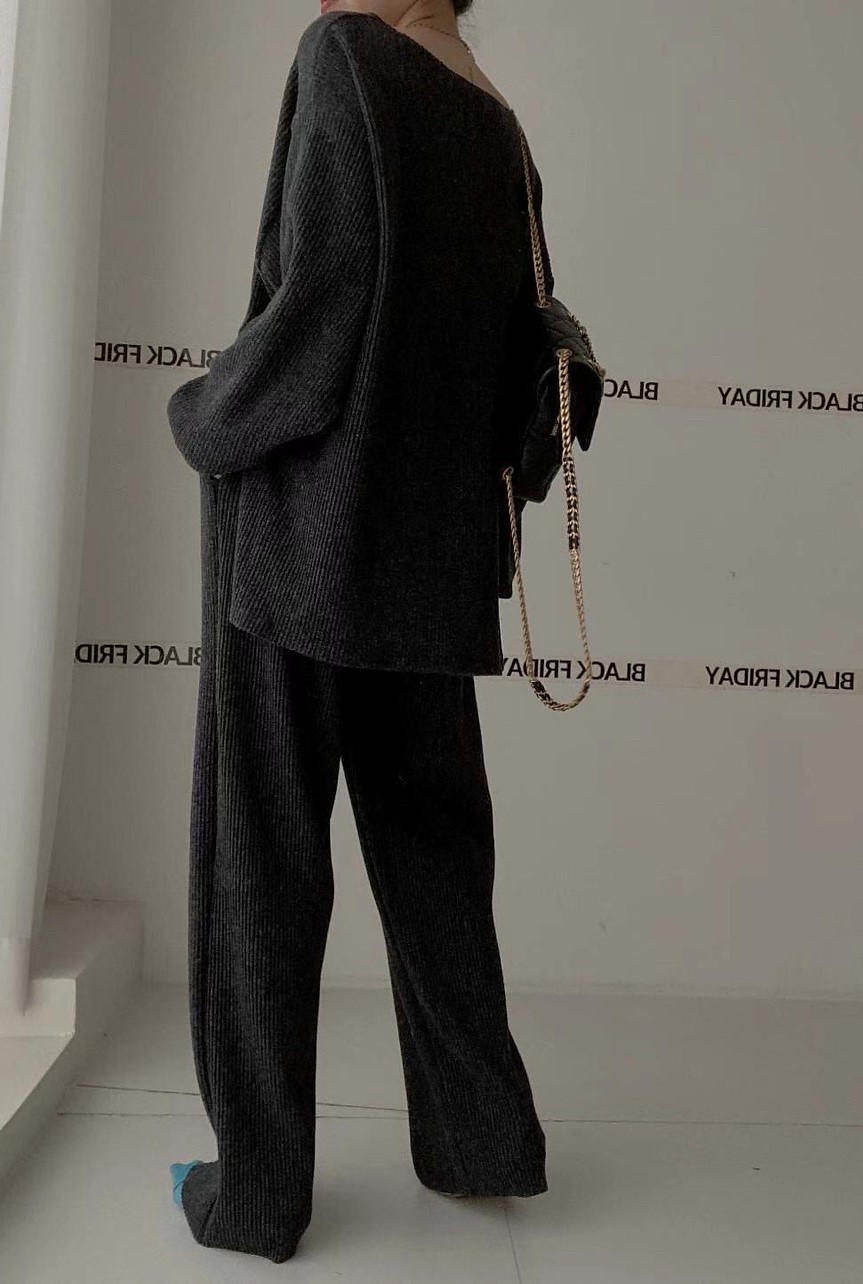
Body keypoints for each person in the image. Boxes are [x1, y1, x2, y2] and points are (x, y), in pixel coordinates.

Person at [166, 0, 555, 1264]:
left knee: (262, 862)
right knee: (436, 855)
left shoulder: (344, 57)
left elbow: (317, 310)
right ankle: (483, 1143)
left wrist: (202, 416)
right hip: (433, 558)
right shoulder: (492, 113)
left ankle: (255, 1194)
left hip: (300, 536)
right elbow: (513, 353)